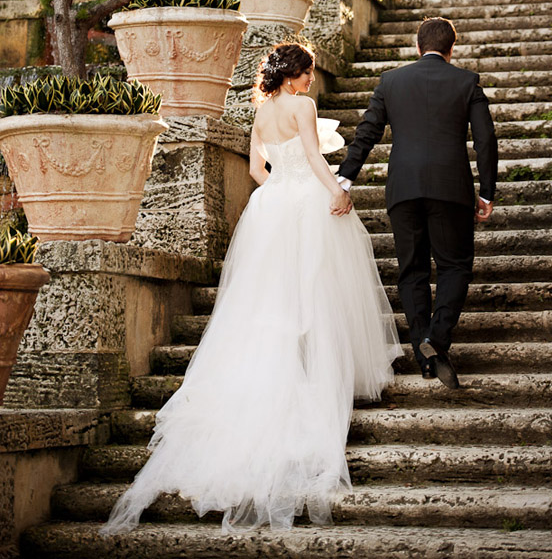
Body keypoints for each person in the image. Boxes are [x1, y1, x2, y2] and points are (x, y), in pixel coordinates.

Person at [100, 43, 401, 536]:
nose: (310, 82)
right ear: (293, 77)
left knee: (272, 298)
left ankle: (289, 372)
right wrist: (336, 192)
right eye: (307, 74)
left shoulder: (262, 114)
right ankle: (315, 374)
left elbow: (256, 171)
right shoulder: (302, 106)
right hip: (305, 201)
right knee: (315, 289)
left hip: (273, 206)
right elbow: (311, 155)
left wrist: (279, 192)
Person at [338, 17, 498, 390]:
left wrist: (344, 179)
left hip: (404, 189)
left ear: (417, 44)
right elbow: (486, 139)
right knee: (454, 266)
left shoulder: (391, 82)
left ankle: (424, 356)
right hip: (450, 188)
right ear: (451, 48)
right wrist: (487, 191)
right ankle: (435, 341)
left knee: (411, 271)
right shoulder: (466, 81)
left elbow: (368, 131)